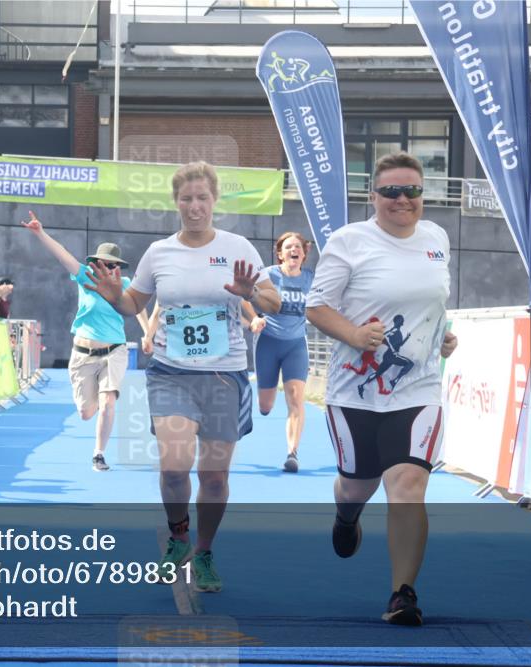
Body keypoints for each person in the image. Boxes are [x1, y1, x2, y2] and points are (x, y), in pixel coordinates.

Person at [84, 161, 280, 592]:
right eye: (186, 199)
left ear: (215, 201)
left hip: (225, 375)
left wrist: (252, 294)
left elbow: (275, 303)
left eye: (202, 198)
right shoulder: (160, 252)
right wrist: (117, 295)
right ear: (176, 203)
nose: (195, 207)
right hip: (171, 372)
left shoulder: (239, 247)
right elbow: (133, 303)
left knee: (214, 476)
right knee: (175, 466)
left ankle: (205, 552)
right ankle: (178, 537)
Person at [306, 152, 458, 626]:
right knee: (358, 484)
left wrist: (442, 335)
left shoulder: (437, 239)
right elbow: (317, 306)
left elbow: (432, 303)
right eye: (391, 191)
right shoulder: (349, 241)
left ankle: (402, 594)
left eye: (411, 190)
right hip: (355, 391)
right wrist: (353, 335)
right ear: (373, 196)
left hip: (419, 390)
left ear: (422, 196)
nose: (402, 200)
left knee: (408, 485)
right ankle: (346, 515)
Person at [21, 211, 150, 471]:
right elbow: (62, 254)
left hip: (114, 351)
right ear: (95, 264)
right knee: (85, 412)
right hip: (83, 353)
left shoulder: (125, 283)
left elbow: (138, 307)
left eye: (113, 265)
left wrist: (148, 331)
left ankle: (99, 454)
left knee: (108, 402)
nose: (108, 268)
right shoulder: (83, 277)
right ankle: (92, 416)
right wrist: (40, 232)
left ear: (118, 267)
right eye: (103, 263)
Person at [241, 231, 315, 473]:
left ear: (304, 253)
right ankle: (258, 405)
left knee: (295, 397)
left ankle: (292, 453)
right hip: (268, 342)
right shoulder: (269, 275)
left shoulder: (311, 278)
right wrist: (254, 319)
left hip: (295, 344)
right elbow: (242, 296)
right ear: (280, 254)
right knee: (266, 405)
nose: (293, 250)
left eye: (298, 247)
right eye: (288, 247)